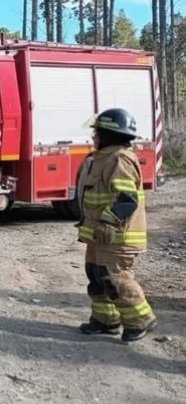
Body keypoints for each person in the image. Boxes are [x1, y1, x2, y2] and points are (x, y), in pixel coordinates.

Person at [77, 108, 156, 342]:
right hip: (101, 235)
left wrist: (108, 222)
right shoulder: (103, 158)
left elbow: (126, 199)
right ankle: (105, 320)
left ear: (108, 135)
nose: (94, 137)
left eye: (97, 133)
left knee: (115, 278)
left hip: (118, 235)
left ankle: (141, 318)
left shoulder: (119, 159)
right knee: (97, 275)